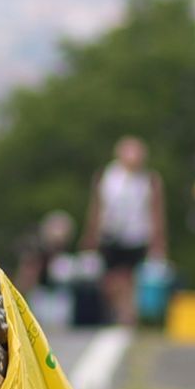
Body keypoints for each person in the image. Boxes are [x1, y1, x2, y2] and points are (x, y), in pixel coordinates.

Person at [80, 137, 167, 326]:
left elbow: (156, 212)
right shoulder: (106, 177)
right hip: (110, 234)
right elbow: (96, 208)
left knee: (131, 278)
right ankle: (119, 310)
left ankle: (127, 316)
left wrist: (158, 242)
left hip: (137, 235)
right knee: (110, 279)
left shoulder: (149, 181)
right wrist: (90, 235)